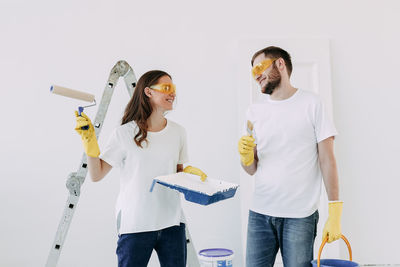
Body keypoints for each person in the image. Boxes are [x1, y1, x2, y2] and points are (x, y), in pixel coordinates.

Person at [74, 70, 207, 267]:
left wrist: (189, 177)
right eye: (166, 88)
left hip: (172, 223)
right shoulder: (124, 134)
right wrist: (90, 144)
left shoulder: (178, 132)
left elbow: (178, 175)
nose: (173, 94)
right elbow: (96, 174)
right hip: (135, 224)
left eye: (174, 89)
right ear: (148, 92)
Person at [238, 46, 343, 267]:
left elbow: (327, 159)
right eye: (252, 71)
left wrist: (335, 209)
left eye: (259, 67)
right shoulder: (254, 112)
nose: (256, 75)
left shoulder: (312, 104)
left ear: (280, 64)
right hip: (260, 213)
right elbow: (251, 169)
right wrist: (246, 158)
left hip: (300, 215)